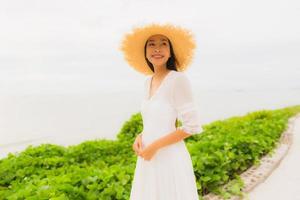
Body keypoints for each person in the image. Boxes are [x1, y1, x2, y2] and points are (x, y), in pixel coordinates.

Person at [119, 23, 204, 200]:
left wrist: (154, 147)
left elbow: (192, 126)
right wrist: (140, 136)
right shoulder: (146, 82)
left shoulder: (178, 80)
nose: (157, 49)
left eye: (163, 44)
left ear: (171, 51)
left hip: (169, 158)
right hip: (148, 158)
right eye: (151, 44)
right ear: (145, 51)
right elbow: (157, 120)